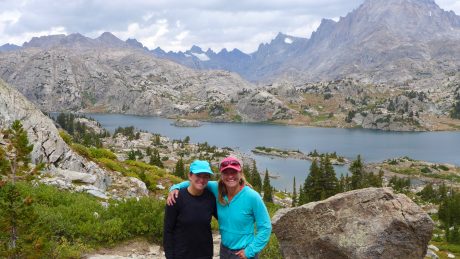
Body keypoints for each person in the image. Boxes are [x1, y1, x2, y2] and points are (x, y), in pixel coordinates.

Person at [167, 156, 271, 259]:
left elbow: (265, 227)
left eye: (233, 172)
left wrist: (250, 251)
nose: (230, 176)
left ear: (240, 173)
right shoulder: (217, 189)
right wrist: (175, 187)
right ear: (221, 175)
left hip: (243, 252)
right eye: (226, 173)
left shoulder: (252, 196)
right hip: (224, 250)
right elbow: (196, 182)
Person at [163, 160, 217, 259]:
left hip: (205, 254)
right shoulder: (176, 198)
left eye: (205, 176)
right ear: (190, 176)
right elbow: (168, 231)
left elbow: (223, 219)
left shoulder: (210, 198)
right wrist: (169, 256)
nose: (202, 179)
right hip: (181, 254)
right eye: (198, 175)